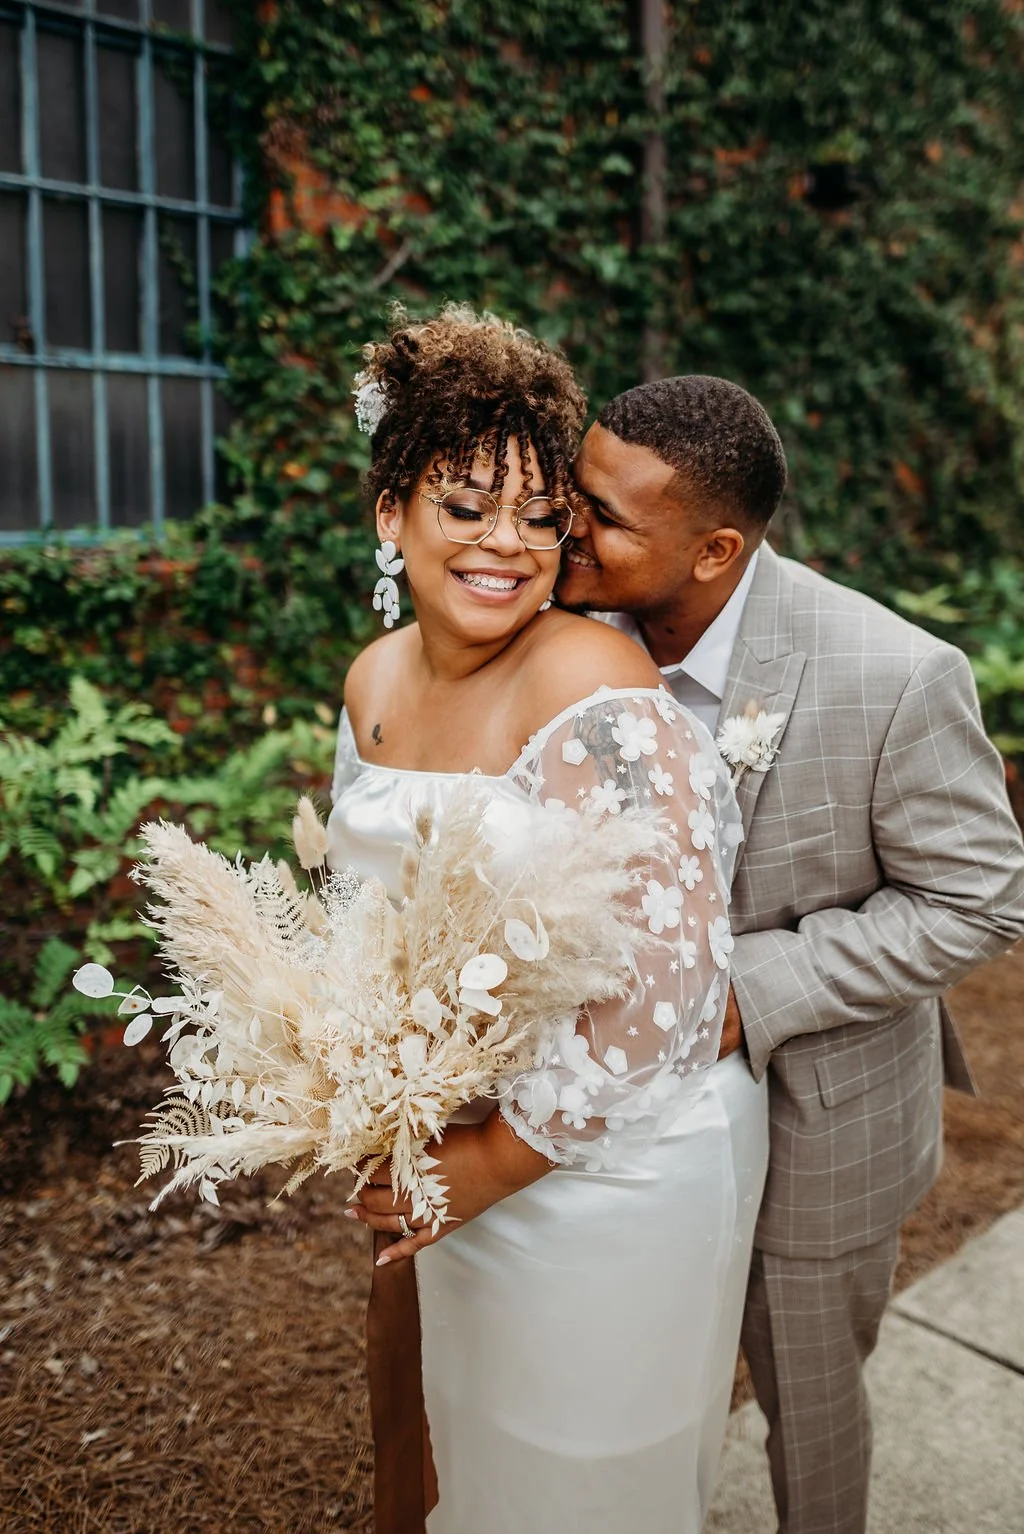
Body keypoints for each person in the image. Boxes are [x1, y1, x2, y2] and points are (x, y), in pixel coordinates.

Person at [557, 373, 1024, 1534]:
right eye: (577, 492)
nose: (567, 525)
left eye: (606, 516)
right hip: (600, 1127)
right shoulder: (553, 630)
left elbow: (979, 897)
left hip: (820, 1126)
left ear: (713, 550)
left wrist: (740, 993)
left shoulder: (893, 673)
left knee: (808, 1412)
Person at [329, 308, 769, 1533]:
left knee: (579, 1474)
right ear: (390, 515)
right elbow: (364, 921)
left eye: (538, 514)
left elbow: (668, 992)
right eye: (464, 506)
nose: (505, 544)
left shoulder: (588, 680)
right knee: (460, 1457)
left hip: (609, 1170)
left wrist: (486, 1165)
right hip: (450, 1154)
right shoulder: (370, 679)